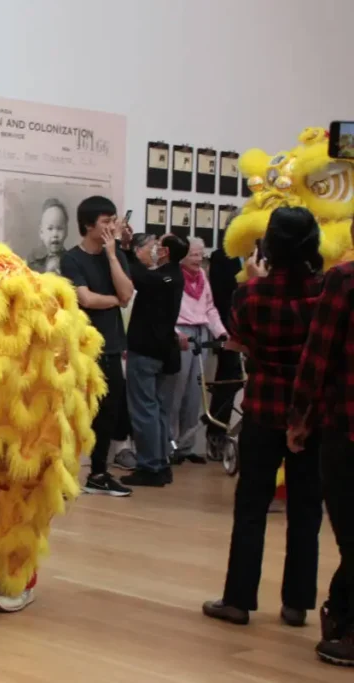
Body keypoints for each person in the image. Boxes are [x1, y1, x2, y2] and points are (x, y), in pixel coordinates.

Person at [203, 207, 325, 634]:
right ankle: (297, 604)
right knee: (306, 510)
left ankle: (238, 600)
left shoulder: (249, 294)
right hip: (310, 415)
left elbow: (239, 343)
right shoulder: (324, 292)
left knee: (251, 507)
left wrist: (254, 280)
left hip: (261, 408)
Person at [287, 226, 354, 668]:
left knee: (350, 532)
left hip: (346, 426)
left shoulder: (344, 280)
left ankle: (346, 622)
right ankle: (340, 613)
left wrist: (300, 418)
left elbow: (318, 355)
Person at [60, 195, 134, 496]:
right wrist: (116, 299)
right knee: (75, 412)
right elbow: (86, 298)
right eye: (106, 221)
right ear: (88, 225)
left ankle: (99, 473)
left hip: (112, 345)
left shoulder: (115, 255)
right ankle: (62, 474)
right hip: (81, 348)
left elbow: (127, 294)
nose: (112, 226)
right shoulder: (71, 258)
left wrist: (113, 256)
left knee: (109, 411)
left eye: (114, 220)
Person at [121, 232, 188, 487]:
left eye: (158, 244)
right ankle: (160, 463)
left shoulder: (166, 277)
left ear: (165, 252)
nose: (154, 247)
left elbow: (139, 276)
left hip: (147, 352)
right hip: (161, 354)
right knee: (157, 410)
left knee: (144, 410)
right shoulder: (171, 276)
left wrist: (124, 250)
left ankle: (149, 466)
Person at [165, 238, 228, 464]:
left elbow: (210, 308)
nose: (198, 259)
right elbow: (164, 309)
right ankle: (169, 446)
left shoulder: (202, 276)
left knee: (195, 393)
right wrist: (174, 332)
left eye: (201, 255)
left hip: (201, 333)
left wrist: (221, 332)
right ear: (182, 255)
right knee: (175, 392)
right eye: (193, 254)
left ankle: (186, 446)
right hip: (180, 334)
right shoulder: (172, 275)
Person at [206, 234, 244, 455]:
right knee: (228, 379)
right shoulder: (221, 257)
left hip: (257, 329)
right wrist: (223, 331)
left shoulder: (263, 255)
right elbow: (218, 297)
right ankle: (217, 433)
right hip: (228, 329)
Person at [27, 198, 69, 274]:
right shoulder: (32, 259)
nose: (55, 234)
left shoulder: (71, 261)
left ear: (66, 232)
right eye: (50, 228)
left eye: (60, 228)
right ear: (41, 233)